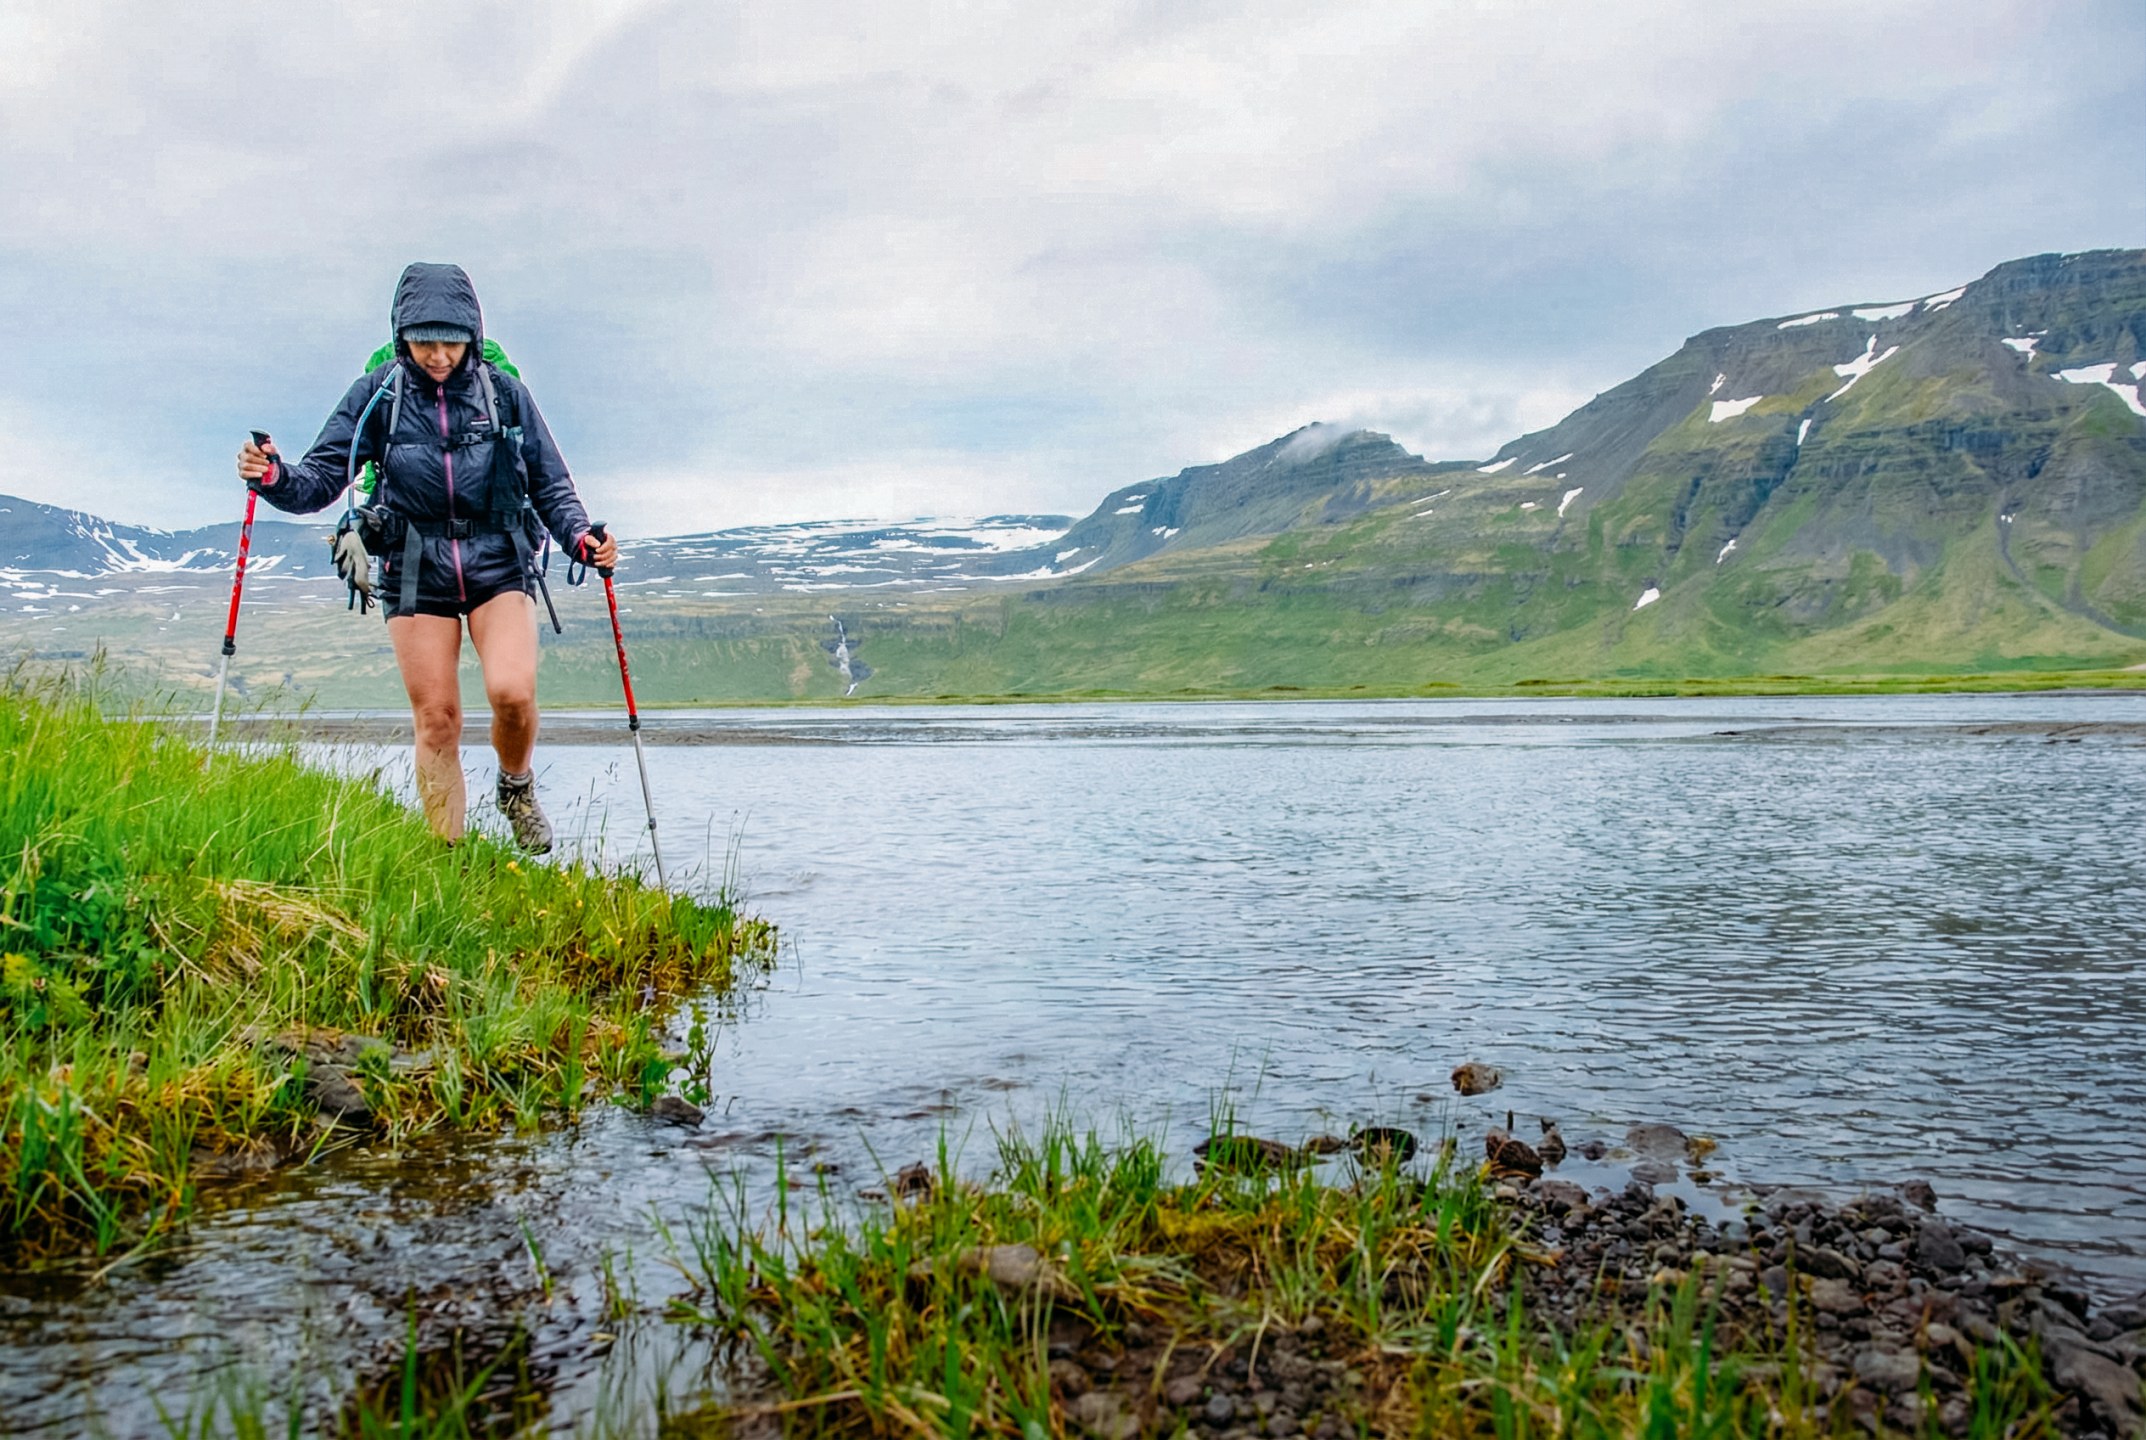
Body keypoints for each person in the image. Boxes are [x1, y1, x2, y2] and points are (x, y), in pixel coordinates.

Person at [236, 262, 617, 853]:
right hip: (414, 568)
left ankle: (515, 786)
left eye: (451, 341)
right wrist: (274, 476)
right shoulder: (377, 395)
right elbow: (318, 480)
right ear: (401, 337)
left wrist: (581, 540)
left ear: (472, 335)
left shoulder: (504, 393)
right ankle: (449, 861)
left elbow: (550, 483)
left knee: (512, 692)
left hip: (499, 560)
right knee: (437, 720)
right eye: (424, 342)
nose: (438, 355)